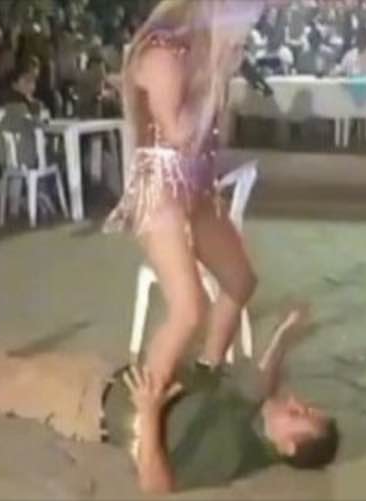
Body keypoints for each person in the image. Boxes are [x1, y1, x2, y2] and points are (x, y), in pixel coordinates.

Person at [0, 307, 340, 494]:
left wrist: (150, 413)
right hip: (106, 376)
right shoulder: (254, 421)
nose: (297, 403)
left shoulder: (232, 450)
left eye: (302, 415)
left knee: (5, 390)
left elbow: (156, 484)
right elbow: (263, 382)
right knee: (18, 366)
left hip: (88, 407)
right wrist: (283, 337)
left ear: (289, 446)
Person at [103, 0, 266, 388]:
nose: (247, 29)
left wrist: (220, 73)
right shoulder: (162, 51)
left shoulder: (199, 53)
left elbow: (215, 137)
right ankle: (144, 408)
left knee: (240, 279)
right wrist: (216, 70)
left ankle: (207, 373)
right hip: (159, 190)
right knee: (188, 311)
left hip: (196, 187)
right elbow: (178, 133)